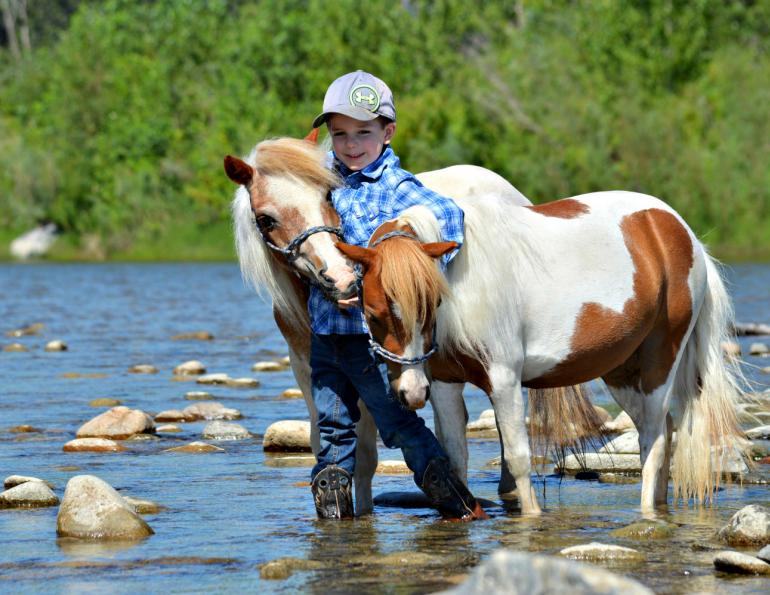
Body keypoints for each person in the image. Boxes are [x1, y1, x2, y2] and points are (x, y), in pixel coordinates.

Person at [307, 70, 486, 521]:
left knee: (398, 422)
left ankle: (454, 502)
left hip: (377, 340)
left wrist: (417, 274)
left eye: (363, 133)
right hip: (326, 330)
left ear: (387, 133)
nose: (350, 145)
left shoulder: (396, 185)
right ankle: (336, 521)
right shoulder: (324, 181)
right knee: (331, 425)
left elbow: (449, 215)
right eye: (340, 134)